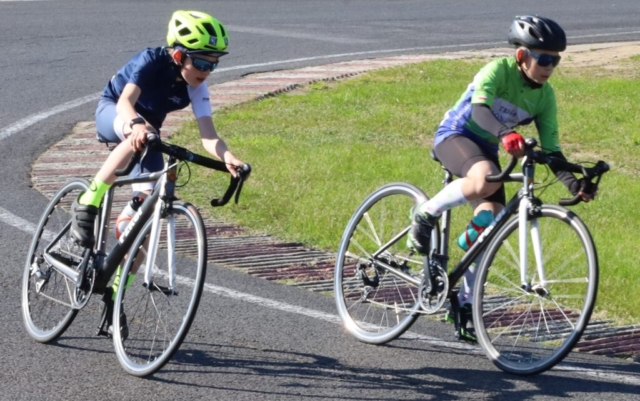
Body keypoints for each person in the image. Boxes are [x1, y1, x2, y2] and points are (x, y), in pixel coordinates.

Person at [408, 15, 596, 342]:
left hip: (490, 146)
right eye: (545, 58)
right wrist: (505, 133)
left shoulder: (545, 96)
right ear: (522, 56)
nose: (551, 66)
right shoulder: (497, 70)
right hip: (456, 135)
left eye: (557, 60)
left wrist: (574, 183)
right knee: (484, 180)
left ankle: (463, 302)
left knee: (489, 226)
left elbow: (552, 150)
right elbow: (480, 110)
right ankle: (425, 213)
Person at [69, 10, 244, 333]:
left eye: (215, 63)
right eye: (202, 63)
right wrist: (135, 124)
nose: (208, 70)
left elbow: (209, 136)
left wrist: (229, 158)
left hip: (149, 136)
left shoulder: (196, 86)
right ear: (178, 55)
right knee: (143, 133)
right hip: (116, 114)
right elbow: (124, 101)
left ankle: (115, 289)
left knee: (145, 224)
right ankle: (89, 201)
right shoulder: (151, 60)